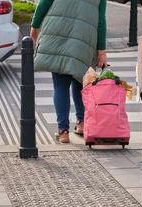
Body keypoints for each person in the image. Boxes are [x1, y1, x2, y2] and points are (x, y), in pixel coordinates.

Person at [30, 0, 108, 144]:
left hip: (57, 33)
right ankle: (82, 123)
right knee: (80, 82)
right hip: (84, 39)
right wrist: (101, 51)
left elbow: (43, 4)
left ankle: (63, 131)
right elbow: (101, 21)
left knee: (60, 85)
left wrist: (35, 26)